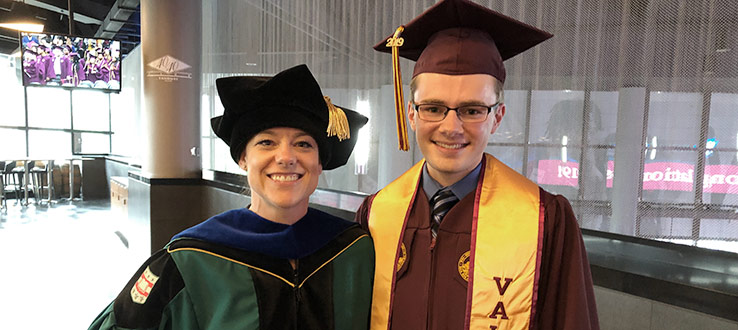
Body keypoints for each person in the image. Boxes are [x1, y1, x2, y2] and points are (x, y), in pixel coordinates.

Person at [355, 0, 600, 329]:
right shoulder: (375, 216)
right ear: (411, 114)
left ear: (497, 117)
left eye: (472, 110)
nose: (451, 127)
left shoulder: (545, 221)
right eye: (433, 108)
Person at [89, 64, 374, 330]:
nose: (286, 157)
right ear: (243, 159)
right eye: (266, 142)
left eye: (303, 144)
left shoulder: (355, 251)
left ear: (319, 162)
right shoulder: (190, 260)